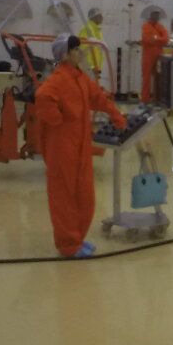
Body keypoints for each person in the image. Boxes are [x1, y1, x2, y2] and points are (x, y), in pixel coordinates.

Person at [33, 35, 126, 258]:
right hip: (62, 145)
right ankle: (67, 244)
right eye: (76, 49)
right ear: (65, 55)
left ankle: (77, 238)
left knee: (84, 193)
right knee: (64, 195)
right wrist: (57, 119)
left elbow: (98, 97)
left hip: (81, 143)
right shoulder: (59, 79)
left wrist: (116, 116)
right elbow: (43, 97)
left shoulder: (79, 77)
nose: (80, 52)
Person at [138, 7, 169, 104]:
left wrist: (155, 38)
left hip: (159, 56)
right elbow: (147, 39)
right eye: (154, 14)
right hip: (148, 56)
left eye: (158, 14)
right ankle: (145, 100)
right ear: (150, 15)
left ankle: (157, 99)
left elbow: (166, 40)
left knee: (159, 78)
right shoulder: (145, 26)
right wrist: (159, 39)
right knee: (146, 78)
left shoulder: (161, 27)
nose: (156, 16)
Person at [76, 7, 109, 82]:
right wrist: (91, 66)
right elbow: (83, 50)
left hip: (95, 68)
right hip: (89, 68)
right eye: (100, 16)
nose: (102, 18)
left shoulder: (97, 30)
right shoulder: (87, 29)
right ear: (94, 17)